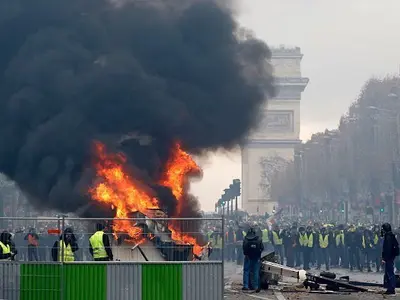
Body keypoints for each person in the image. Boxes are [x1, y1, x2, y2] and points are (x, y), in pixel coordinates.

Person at [242, 227, 264, 293]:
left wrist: (246, 254)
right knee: (255, 271)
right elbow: (262, 248)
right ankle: (256, 286)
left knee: (246, 271)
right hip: (256, 257)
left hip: (248, 257)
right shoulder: (259, 239)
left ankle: (245, 286)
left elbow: (244, 247)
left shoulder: (246, 239)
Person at [381, 223, 399, 295]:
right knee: (389, 272)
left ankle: (391, 288)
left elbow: (387, 249)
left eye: (383, 228)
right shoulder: (390, 235)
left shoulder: (388, 236)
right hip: (390, 257)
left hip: (389, 257)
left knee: (390, 272)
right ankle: (390, 288)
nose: (382, 230)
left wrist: (384, 258)